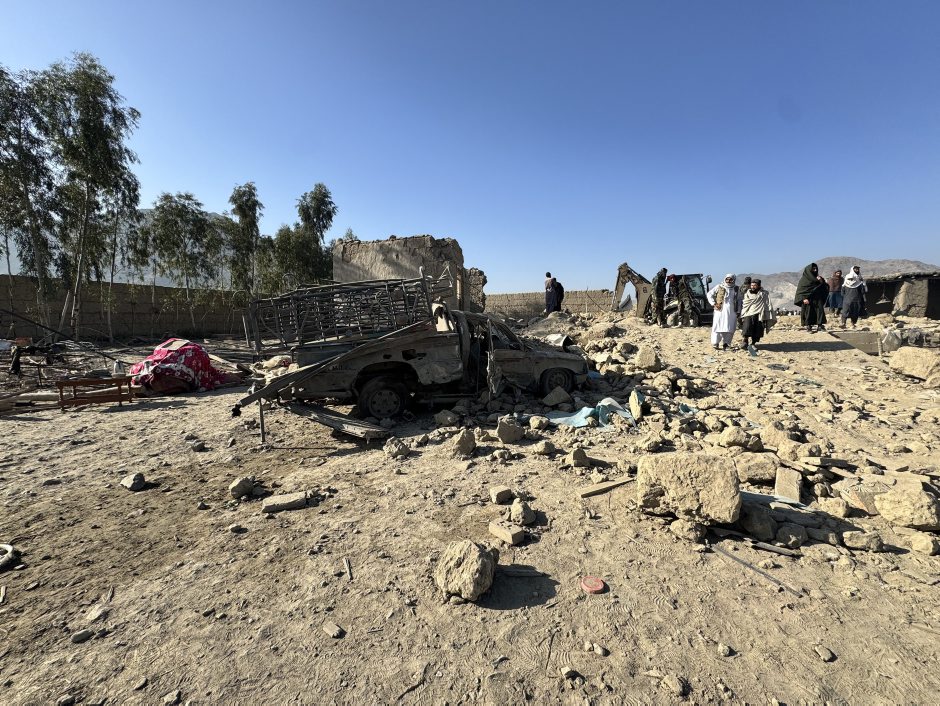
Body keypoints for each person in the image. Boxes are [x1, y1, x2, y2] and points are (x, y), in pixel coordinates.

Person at [740, 279, 776, 350]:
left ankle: (753, 344)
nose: (753, 287)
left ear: (759, 286)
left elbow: (767, 304)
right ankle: (745, 341)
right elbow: (745, 303)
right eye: (752, 285)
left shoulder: (764, 293)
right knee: (747, 327)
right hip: (748, 313)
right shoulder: (747, 293)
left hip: (760, 314)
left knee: (757, 330)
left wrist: (767, 314)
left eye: (755, 285)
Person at [706, 273, 738, 350]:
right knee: (717, 326)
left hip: (732, 312)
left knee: (730, 328)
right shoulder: (719, 286)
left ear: (734, 280)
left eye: (730, 279)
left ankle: (726, 344)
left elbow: (740, 300)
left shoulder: (736, 288)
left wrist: (739, 310)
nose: (728, 281)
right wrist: (714, 303)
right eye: (727, 279)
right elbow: (709, 294)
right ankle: (715, 343)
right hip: (720, 311)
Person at [794, 262, 828, 333]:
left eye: (816, 269)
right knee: (808, 312)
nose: (815, 270)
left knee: (819, 311)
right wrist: (803, 299)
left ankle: (820, 326)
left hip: (817, 298)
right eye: (813, 269)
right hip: (808, 299)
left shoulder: (819, 278)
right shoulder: (804, 280)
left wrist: (821, 281)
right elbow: (801, 291)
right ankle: (809, 326)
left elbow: (825, 287)